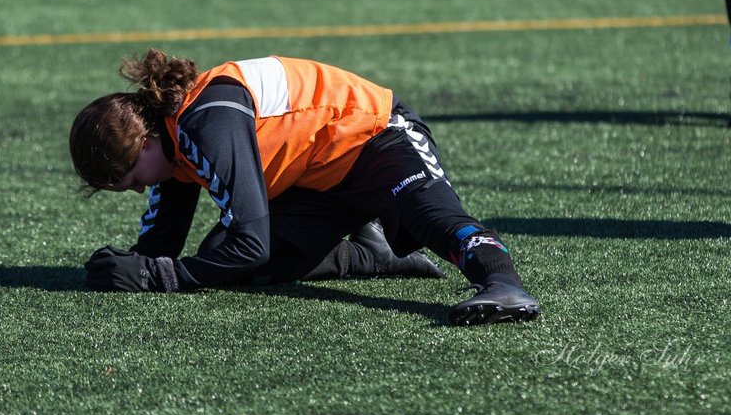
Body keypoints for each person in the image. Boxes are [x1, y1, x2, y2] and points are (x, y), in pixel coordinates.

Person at [69, 49, 542, 325]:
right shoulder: (174, 144)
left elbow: (248, 244)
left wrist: (158, 277)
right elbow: (163, 246)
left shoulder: (205, 120)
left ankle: (502, 283)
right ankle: (370, 253)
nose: (135, 190)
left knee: (434, 220)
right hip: (319, 182)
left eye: (131, 178)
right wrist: (130, 266)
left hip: (376, 138)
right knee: (222, 260)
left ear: (147, 139)